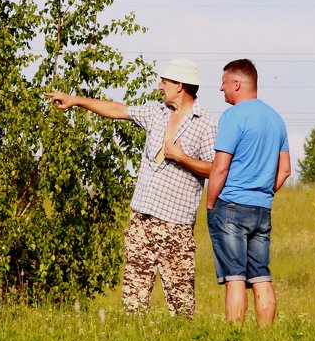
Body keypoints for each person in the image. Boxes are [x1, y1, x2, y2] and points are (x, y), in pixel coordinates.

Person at [45, 59, 217, 316]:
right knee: (133, 300)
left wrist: (182, 158)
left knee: (181, 305)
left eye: (165, 82)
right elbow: (117, 109)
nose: (160, 87)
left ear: (180, 86)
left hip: (176, 225)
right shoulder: (156, 113)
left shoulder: (206, 123)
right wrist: (76, 100)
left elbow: (216, 169)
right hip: (141, 220)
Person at [205, 59, 291, 325]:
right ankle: (266, 338)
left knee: (235, 278)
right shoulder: (276, 119)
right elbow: (285, 170)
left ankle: (235, 336)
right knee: (261, 276)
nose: (221, 89)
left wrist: (210, 202)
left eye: (224, 83)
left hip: (230, 205)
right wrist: (264, 193)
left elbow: (220, 167)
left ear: (237, 84)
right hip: (262, 208)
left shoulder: (233, 116)